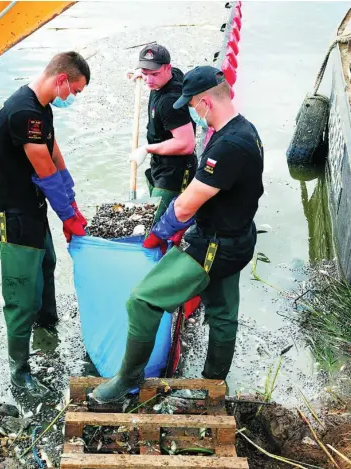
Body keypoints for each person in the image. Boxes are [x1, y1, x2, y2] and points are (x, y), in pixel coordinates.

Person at [92, 66, 264, 403]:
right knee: (223, 314)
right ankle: (214, 386)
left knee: (141, 301)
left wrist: (160, 231)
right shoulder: (247, 130)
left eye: (191, 105)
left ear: (204, 103)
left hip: (214, 246)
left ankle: (128, 378)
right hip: (238, 238)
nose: (190, 112)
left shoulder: (228, 146)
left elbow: (185, 206)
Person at [0, 51, 90, 397]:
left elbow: (55, 154)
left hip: (31, 206)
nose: (72, 98)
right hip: (11, 215)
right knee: (20, 296)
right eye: (74, 91)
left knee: (48, 263)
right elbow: (44, 170)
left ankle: (47, 330)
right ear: (61, 79)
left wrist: (71, 200)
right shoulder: (24, 112)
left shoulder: (41, 107)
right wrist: (69, 218)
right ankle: (19, 370)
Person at [128, 44, 197, 223]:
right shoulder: (173, 74)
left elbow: (187, 144)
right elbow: (150, 73)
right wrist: (140, 75)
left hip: (175, 171)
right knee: (152, 214)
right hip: (159, 164)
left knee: (160, 222)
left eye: (154, 74)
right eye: (145, 73)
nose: (149, 80)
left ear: (167, 68)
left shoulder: (169, 102)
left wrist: (147, 149)